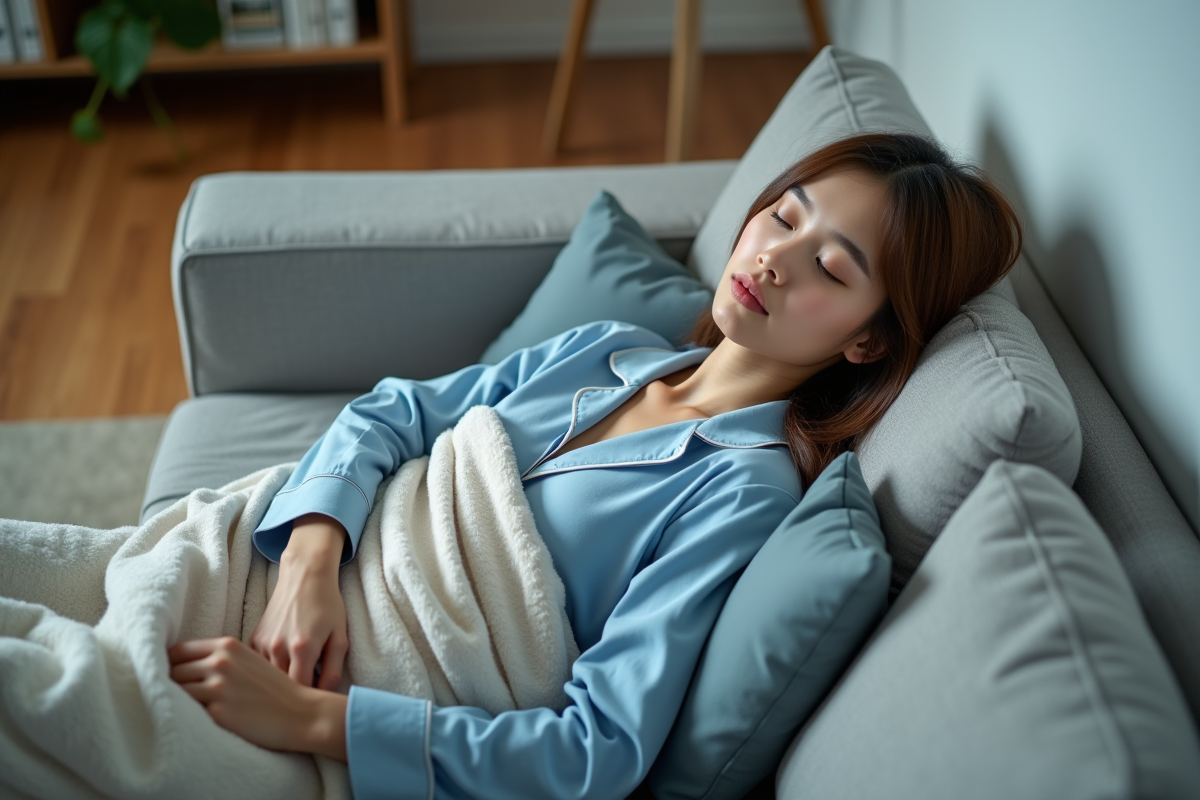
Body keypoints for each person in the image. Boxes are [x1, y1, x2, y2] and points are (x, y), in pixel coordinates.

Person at [166, 132, 1022, 799]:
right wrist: (309, 563)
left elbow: (599, 753)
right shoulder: (608, 348)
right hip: (274, 558)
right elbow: (396, 413)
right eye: (784, 217)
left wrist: (318, 722)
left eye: (829, 268)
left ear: (867, 338)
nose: (773, 259)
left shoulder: (743, 493)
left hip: (339, 694)